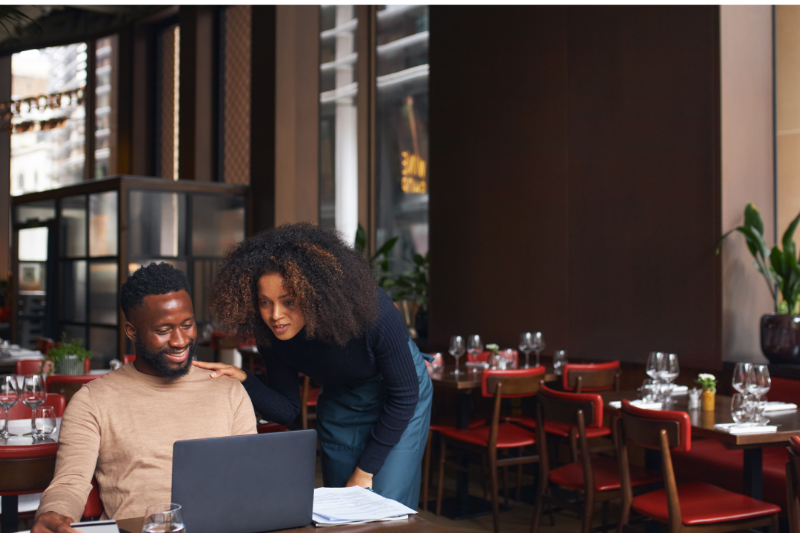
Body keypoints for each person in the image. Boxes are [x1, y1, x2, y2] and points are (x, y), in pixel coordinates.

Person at [193, 223, 433, 508]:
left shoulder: (374, 311)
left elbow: (405, 395)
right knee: (343, 507)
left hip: (399, 396)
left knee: (385, 503)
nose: (275, 316)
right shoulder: (271, 334)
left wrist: (364, 471)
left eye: (289, 301)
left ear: (315, 294)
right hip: (341, 397)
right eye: (264, 302)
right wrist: (245, 379)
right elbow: (287, 410)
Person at [32, 263, 257, 533]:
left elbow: (250, 476)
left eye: (187, 325)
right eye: (163, 330)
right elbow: (71, 481)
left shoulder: (228, 390)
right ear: (132, 331)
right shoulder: (93, 400)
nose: (180, 340)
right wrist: (54, 513)